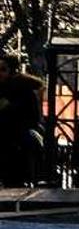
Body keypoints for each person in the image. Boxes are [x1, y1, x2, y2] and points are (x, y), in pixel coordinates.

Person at [0, 54, 47, 187]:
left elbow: (33, 117)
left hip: (17, 134)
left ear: (12, 71)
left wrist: (9, 109)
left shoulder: (23, 89)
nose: (0, 74)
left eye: (3, 69)